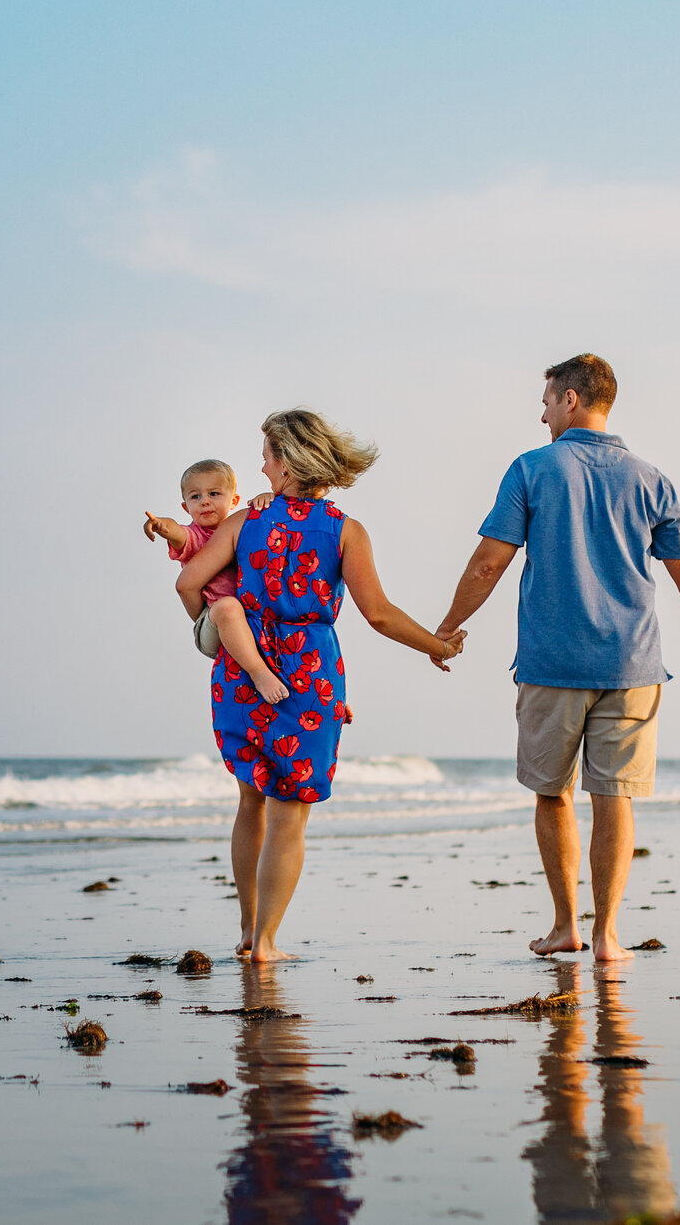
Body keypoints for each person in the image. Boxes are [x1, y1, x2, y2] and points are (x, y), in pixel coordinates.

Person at [433, 353, 680, 964]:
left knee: (552, 793)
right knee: (614, 796)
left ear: (570, 398)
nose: (540, 416)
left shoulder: (533, 469)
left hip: (552, 663)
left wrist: (449, 627)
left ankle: (566, 924)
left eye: (544, 402)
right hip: (632, 663)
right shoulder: (651, 478)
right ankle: (608, 934)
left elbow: (490, 561)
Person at [178, 409, 465, 963]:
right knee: (291, 809)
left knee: (250, 800)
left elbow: (189, 580)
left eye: (265, 456)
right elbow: (378, 614)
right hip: (310, 674)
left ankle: (244, 929)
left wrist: (212, 634)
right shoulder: (344, 531)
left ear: (286, 463)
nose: (260, 467)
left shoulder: (242, 524)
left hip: (244, 668)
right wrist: (438, 645)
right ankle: (265, 942)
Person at [144, 460, 289, 705]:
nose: (205, 501)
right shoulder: (195, 536)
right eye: (195, 496)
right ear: (185, 506)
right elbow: (176, 532)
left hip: (249, 623)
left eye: (214, 493)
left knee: (289, 630)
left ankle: (329, 703)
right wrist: (162, 526)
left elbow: (269, 522)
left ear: (234, 500)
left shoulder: (243, 528)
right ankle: (259, 673)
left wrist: (267, 497)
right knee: (228, 607)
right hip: (214, 623)